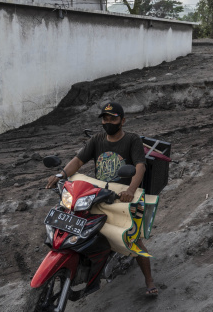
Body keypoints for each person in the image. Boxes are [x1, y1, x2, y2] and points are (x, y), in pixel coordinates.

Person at [45, 102, 158, 296]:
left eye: (113, 118)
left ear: (122, 120)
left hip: (123, 197)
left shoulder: (131, 140)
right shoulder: (97, 139)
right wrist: (62, 174)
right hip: (100, 194)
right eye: (105, 119)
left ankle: (149, 281)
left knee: (135, 241)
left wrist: (131, 190)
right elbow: (78, 160)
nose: (108, 122)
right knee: (78, 223)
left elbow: (140, 167)